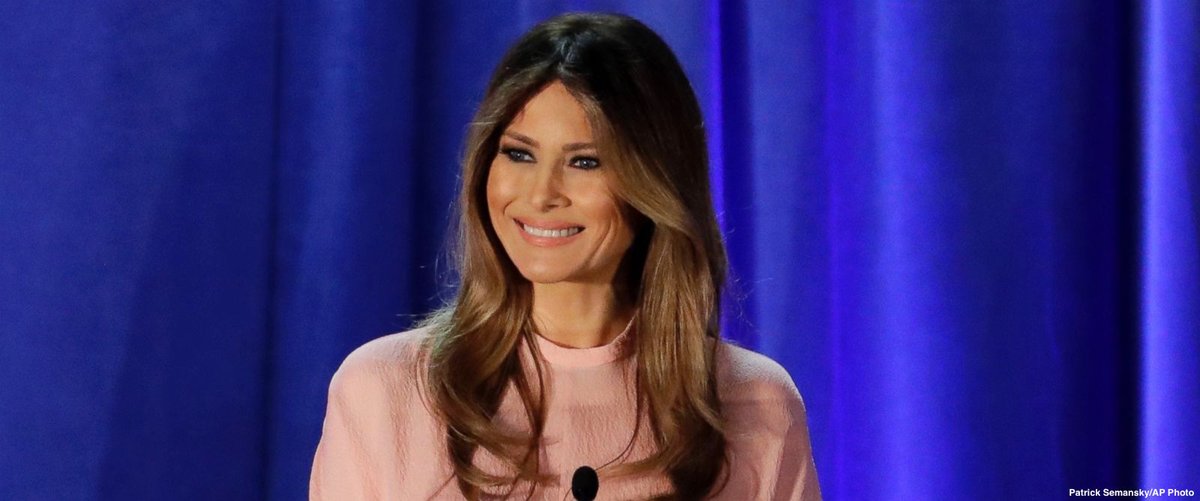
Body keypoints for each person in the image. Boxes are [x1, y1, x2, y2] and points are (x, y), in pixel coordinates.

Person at [309, 12, 820, 500]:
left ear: (654, 184)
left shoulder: (756, 404)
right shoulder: (383, 390)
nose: (541, 195)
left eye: (584, 162)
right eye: (519, 154)